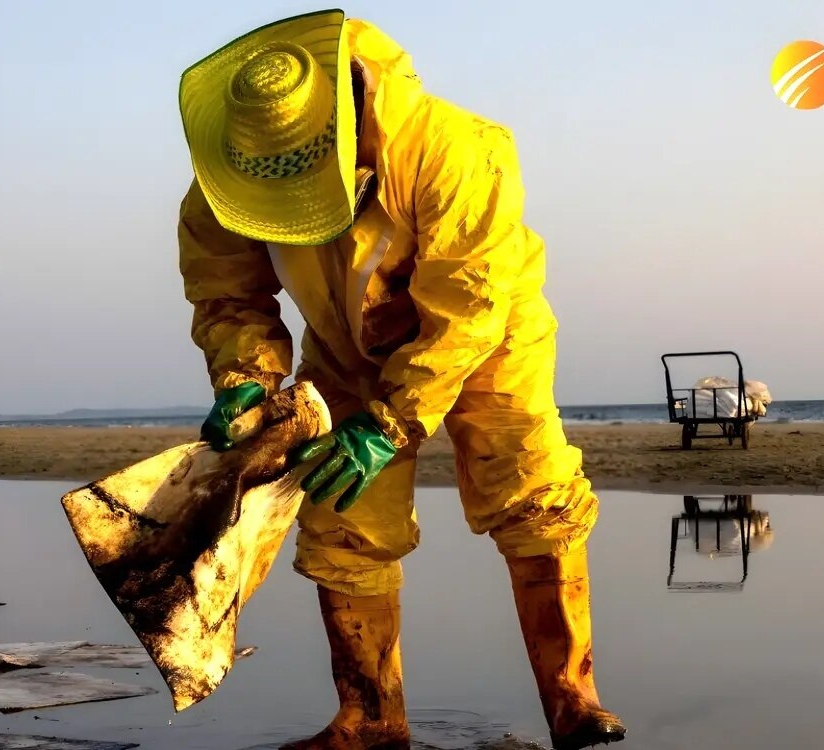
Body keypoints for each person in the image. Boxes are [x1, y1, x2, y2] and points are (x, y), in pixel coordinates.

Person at [176, 9, 625, 750]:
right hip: (347, 346)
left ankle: (573, 700)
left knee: (531, 491)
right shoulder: (226, 185)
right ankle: (370, 720)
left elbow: (468, 306)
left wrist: (392, 422)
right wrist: (245, 380)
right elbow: (228, 297)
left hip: (487, 332)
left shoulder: (453, 151)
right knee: (340, 516)